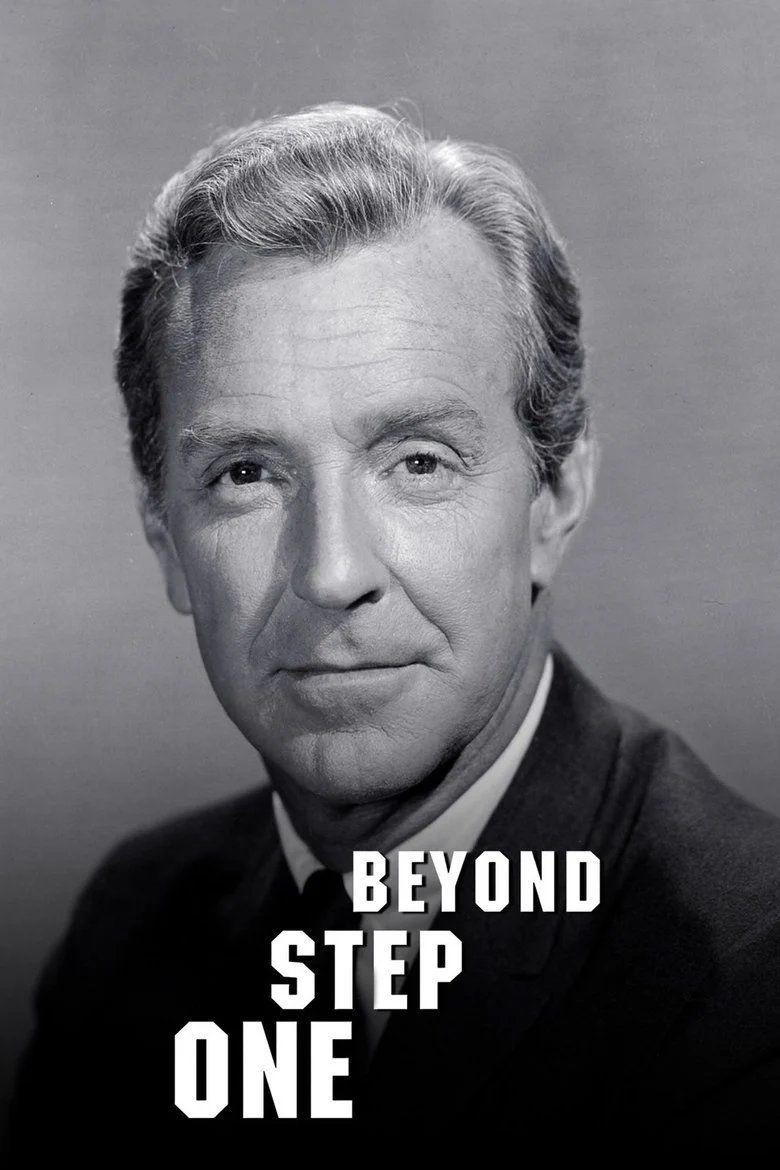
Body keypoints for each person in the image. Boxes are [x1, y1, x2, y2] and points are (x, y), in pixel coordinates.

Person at [6, 103, 780, 1156]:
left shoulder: (745, 983)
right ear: (165, 540)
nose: (333, 573)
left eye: (418, 461)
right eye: (246, 474)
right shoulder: (127, 943)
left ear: (554, 497)